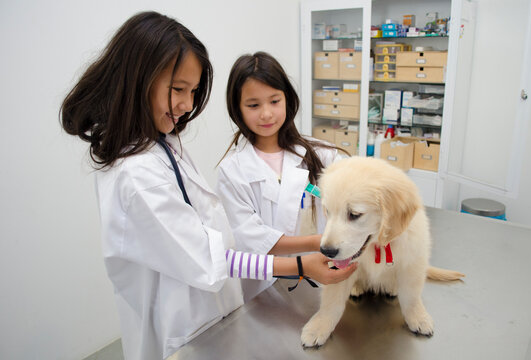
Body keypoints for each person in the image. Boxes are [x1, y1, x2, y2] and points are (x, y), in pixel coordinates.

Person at [60, 12, 356, 360]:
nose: (187, 105)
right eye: (178, 90)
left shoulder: (160, 144)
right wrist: (302, 263)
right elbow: (215, 257)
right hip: (184, 328)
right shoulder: (137, 177)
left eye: (193, 91)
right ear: (138, 79)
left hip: (222, 310)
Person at [217, 52, 350, 302]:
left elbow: (356, 187)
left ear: (287, 99)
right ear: (238, 109)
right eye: (254, 105)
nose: (266, 114)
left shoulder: (321, 154)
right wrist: (320, 242)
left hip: (323, 281)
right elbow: (250, 239)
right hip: (263, 291)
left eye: (274, 101)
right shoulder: (232, 171)